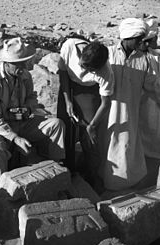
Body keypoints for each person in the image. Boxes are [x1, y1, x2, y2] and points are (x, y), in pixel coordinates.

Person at [0, 37, 65, 191]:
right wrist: (15, 138)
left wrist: (28, 109)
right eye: (18, 64)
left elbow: (32, 97)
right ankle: (2, 192)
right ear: (6, 63)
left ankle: (55, 170)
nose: (23, 67)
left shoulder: (25, 75)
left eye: (24, 62)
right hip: (1, 127)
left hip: (23, 121)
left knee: (56, 125)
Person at [98, 18, 160, 191]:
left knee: (125, 148)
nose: (141, 42)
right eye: (138, 38)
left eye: (143, 38)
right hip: (108, 111)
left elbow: (153, 86)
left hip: (130, 113)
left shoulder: (144, 59)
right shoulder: (108, 54)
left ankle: (121, 188)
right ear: (126, 37)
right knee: (107, 148)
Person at [57, 38, 114, 190]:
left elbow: (105, 103)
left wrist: (92, 126)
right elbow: (62, 73)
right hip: (68, 85)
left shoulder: (105, 71)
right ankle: (67, 169)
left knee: (89, 133)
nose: (84, 72)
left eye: (91, 71)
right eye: (83, 66)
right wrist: (68, 101)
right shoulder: (69, 47)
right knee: (65, 125)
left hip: (89, 91)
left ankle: (91, 175)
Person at [139, 19, 160, 165]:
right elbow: (155, 88)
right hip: (152, 107)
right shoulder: (148, 59)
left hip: (149, 106)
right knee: (156, 142)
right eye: (156, 38)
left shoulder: (152, 55)